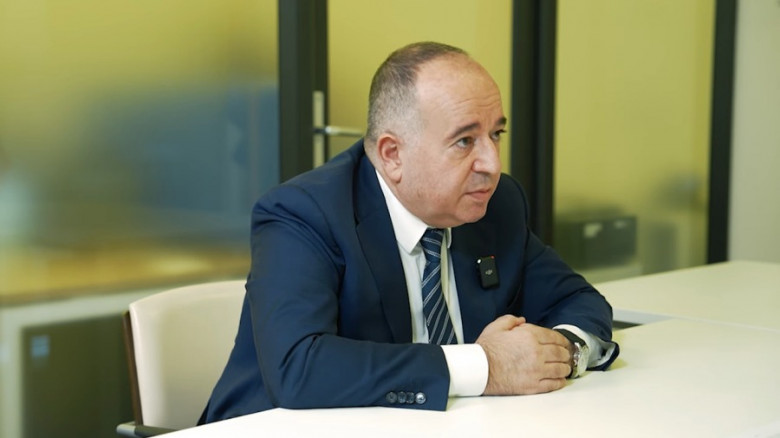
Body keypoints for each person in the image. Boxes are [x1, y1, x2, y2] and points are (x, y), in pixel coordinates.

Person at [200, 41, 619, 423]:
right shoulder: (305, 214)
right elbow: (299, 368)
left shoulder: (496, 204)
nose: (492, 164)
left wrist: (562, 353)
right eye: (465, 141)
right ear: (392, 155)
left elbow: (578, 300)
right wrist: (485, 366)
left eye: (496, 134)